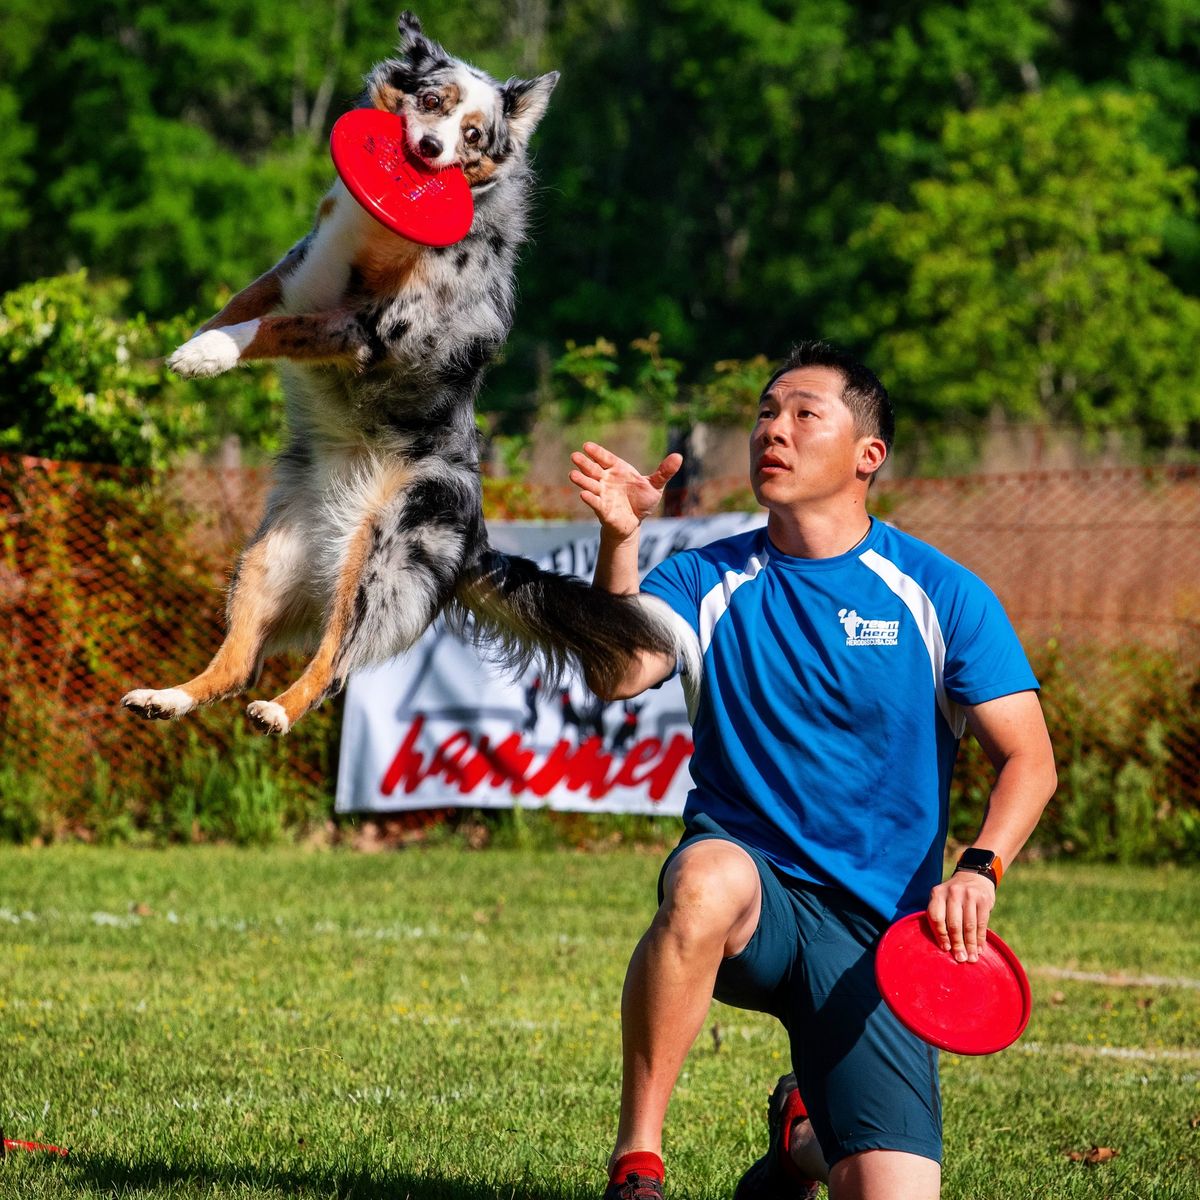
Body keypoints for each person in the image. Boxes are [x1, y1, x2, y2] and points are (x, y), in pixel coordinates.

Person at [568, 341, 1057, 1200]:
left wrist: (981, 866)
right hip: (756, 899)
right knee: (706, 878)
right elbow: (615, 674)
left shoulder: (937, 593)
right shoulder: (704, 577)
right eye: (765, 412)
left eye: (804, 414)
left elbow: (1030, 759)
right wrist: (620, 543)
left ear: (868, 455)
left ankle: (801, 1139)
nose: (774, 431)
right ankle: (637, 1163)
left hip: (881, 943)